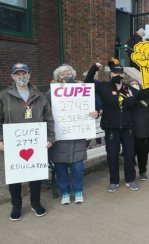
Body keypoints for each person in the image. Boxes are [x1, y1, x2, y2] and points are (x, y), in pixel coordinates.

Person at [0, 63, 55, 221]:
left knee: (35, 174)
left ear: (29, 74)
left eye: (23, 73)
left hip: (35, 144)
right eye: (17, 74)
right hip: (14, 145)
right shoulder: (3, 96)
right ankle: (16, 205)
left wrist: (50, 137)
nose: (21, 77)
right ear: (12, 76)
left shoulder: (39, 96)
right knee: (15, 175)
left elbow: (48, 119)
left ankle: (35, 202)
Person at [84, 62, 149, 192]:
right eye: (116, 73)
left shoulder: (129, 89)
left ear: (123, 75)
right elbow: (88, 82)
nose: (118, 75)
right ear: (111, 74)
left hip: (127, 129)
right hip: (111, 129)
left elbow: (143, 95)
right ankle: (114, 181)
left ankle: (130, 180)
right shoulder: (104, 87)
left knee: (129, 154)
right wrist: (94, 68)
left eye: (120, 73)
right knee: (112, 155)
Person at [45, 64, 98, 205]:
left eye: (69, 74)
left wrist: (95, 113)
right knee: (60, 168)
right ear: (57, 78)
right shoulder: (50, 93)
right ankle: (65, 193)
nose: (66, 77)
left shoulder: (83, 91)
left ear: (73, 77)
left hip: (76, 137)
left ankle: (78, 190)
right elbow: (44, 112)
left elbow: (93, 107)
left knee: (77, 168)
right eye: (63, 75)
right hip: (59, 138)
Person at [127, 78, 149, 180]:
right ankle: (131, 173)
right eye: (132, 84)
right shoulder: (128, 98)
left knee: (144, 154)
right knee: (131, 154)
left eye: (136, 83)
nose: (135, 85)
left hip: (146, 131)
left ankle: (143, 171)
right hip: (133, 132)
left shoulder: (145, 96)